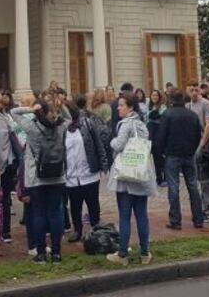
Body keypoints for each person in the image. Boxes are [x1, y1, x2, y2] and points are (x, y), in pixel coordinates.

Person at [106, 93, 157, 266]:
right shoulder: (141, 124)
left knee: (125, 215)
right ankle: (145, 252)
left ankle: (122, 254)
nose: (118, 108)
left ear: (130, 107)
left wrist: (111, 140)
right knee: (141, 214)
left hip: (126, 175)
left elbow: (118, 145)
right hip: (140, 173)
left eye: (121, 105)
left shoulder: (126, 125)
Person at [20, 97, 67, 263]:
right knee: (56, 213)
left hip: (36, 178)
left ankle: (40, 253)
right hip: (57, 175)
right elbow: (69, 118)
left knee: (38, 214)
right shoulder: (60, 126)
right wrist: (62, 106)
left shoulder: (31, 128)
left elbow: (13, 112)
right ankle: (56, 253)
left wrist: (31, 110)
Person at [155, 88, 204, 230]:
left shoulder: (167, 115)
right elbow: (197, 135)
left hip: (172, 154)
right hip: (188, 154)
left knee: (173, 186)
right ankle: (198, 218)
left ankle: (175, 220)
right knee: (193, 185)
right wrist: (193, 148)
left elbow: (161, 136)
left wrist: (162, 151)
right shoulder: (192, 115)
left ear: (171, 100)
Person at [64, 97, 107, 244]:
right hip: (71, 176)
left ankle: (95, 229)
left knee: (93, 203)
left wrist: (103, 164)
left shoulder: (87, 124)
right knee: (75, 205)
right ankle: (78, 230)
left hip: (89, 174)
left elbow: (98, 144)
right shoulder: (62, 130)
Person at [0, 92, 17, 244]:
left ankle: (3, 230)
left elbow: (0, 144)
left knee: (2, 198)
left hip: (1, 165)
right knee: (0, 198)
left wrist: (0, 165)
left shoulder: (0, 118)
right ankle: (2, 229)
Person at [146, 89, 166, 186]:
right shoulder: (147, 107)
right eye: (153, 95)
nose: (154, 97)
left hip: (158, 135)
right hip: (149, 135)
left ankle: (161, 178)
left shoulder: (162, 107)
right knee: (148, 157)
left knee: (159, 157)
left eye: (156, 95)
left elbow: (161, 119)